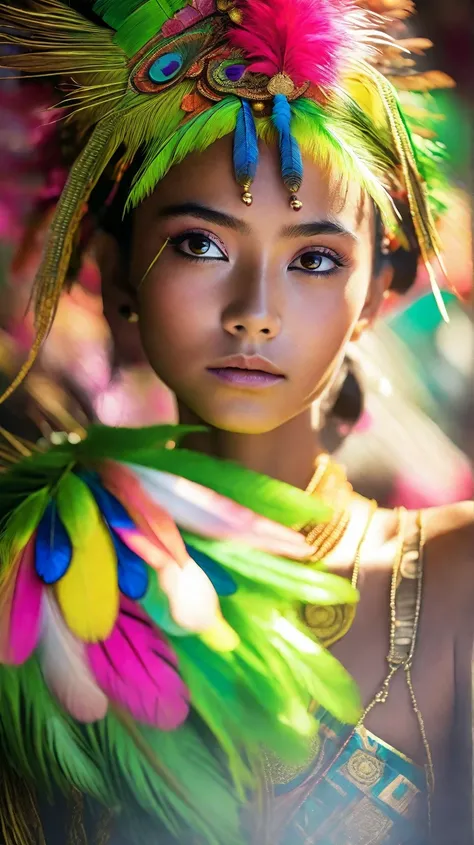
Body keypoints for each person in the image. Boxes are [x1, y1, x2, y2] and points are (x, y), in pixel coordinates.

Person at [0, 1, 472, 844]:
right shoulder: (27, 572)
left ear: (376, 296)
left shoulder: (458, 577)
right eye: (200, 245)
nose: (255, 311)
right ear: (116, 278)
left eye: (315, 259)